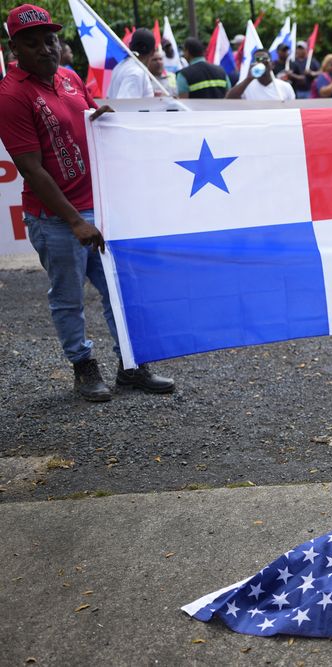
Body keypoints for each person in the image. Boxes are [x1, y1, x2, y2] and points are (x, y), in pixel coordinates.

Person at [0, 4, 174, 401]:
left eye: (50, 40)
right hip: (57, 219)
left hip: (99, 209)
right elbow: (31, 169)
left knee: (118, 290)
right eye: (32, 43)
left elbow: (88, 119)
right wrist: (75, 221)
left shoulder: (69, 77)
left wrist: (100, 117)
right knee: (69, 298)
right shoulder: (11, 95)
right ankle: (83, 367)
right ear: (15, 49)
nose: (45, 49)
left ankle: (131, 366)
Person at [227, 49, 295, 101]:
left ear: (272, 65)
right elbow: (228, 100)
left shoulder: (285, 87)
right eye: (258, 61)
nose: (262, 64)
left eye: (265, 60)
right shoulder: (245, 84)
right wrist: (248, 79)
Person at [107, 27, 155, 99]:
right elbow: (127, 104)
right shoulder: (136, 72)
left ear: (129, 46)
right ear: (153, 52)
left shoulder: (120, 66)